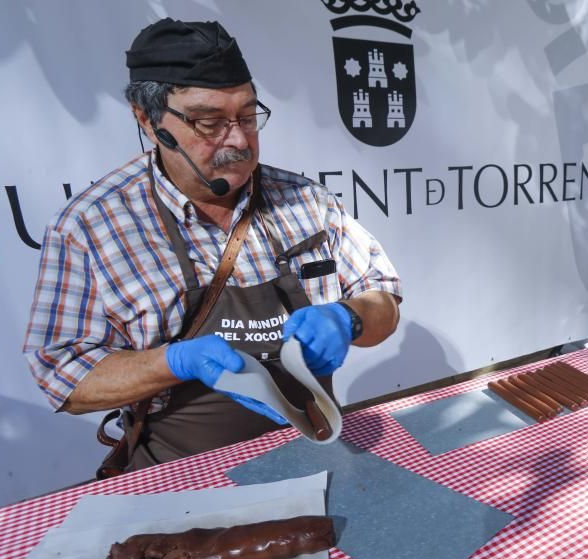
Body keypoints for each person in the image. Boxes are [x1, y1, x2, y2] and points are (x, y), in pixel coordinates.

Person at [23, 18, 402, 473]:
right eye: (209, 122)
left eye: (247, 115)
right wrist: (176, 361)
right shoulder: (90, 226)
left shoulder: (307, 202)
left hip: (316, 453)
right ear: (147, 120)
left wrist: (350, 318)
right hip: (184, 479)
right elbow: (64, 377)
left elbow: (383, 298)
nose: (239, 140)